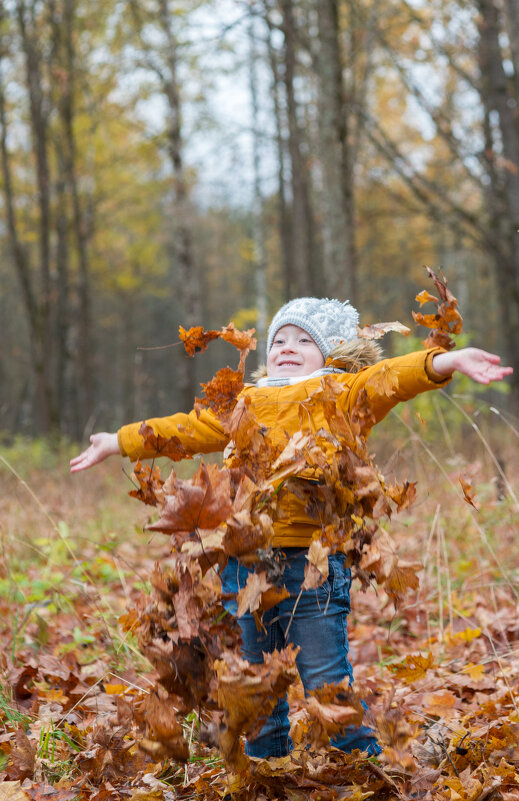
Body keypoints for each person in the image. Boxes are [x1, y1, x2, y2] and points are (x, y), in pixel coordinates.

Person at [70, 297, 512, 758]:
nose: (287, 346)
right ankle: (267, 767)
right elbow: (185, 429)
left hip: (313, 570)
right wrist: (118, 441)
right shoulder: (246, 402)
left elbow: (391, 379)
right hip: (244, 568)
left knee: (326, 681)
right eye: (279, 339)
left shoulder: (343, 392)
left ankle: (359, 764)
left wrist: (446, 361)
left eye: (304, 340)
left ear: (332, 352)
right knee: (256, 682)